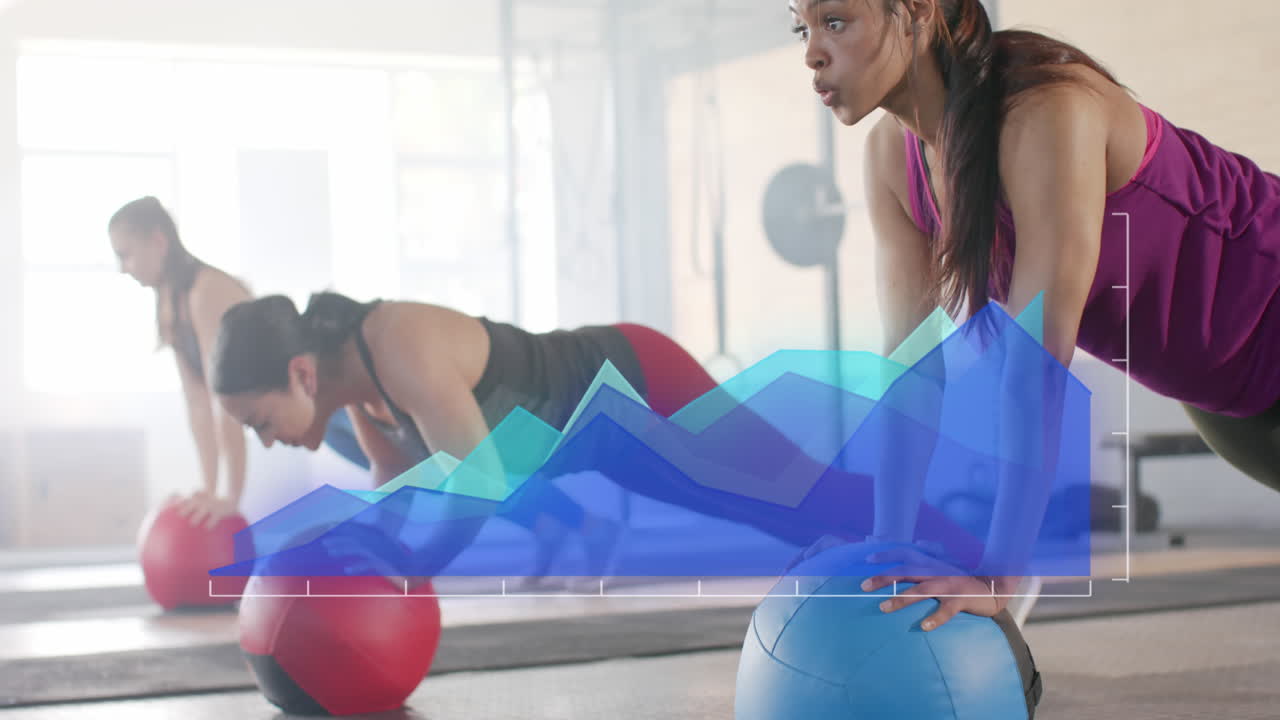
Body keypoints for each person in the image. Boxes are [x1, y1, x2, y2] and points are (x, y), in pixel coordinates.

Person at [787, 0, 1280, 629]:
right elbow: (910, 369)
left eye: (836, 22)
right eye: (802, 27)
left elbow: (1033, 370)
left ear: (915, 13)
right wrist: (887, 546)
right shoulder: (894, 157)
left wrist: (999, 576)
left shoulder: (1044, 110)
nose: (811, 53)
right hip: (1221, 394)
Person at [210, 292, 727, 583]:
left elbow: (479, 484)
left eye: (260, 422)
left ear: (301, 375)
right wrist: (366, 550)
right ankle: (576, 532)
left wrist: (414, 565)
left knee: (785, 494)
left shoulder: (396, 344)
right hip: (600, 430)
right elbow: (392, 478)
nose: (267, 441)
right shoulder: (354, 388)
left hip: (638, 375)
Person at [108, 197, 253, 529]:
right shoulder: (170, 304)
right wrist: (209, 489)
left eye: (126, 254)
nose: (123, 268)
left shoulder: (206, 292)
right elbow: (198, 402)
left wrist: (231, 498)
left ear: (158, 241)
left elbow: (225, 400)